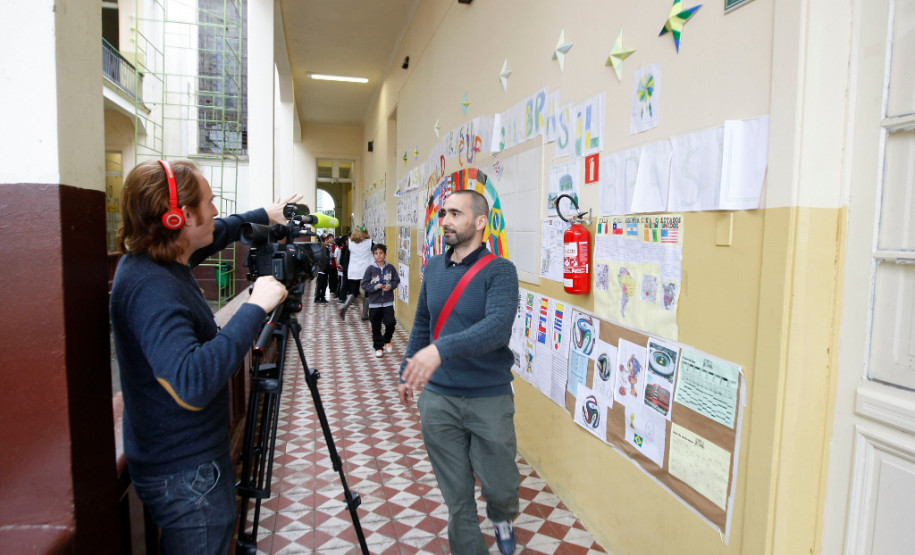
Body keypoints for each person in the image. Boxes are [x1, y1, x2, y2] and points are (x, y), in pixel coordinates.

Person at [110, 159, 299, 554]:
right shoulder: (152, 287)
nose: (215, 210)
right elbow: (191, 381)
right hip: (186, 477)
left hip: (182, 464)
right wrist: (255, 308)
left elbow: (219, 230)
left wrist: (265, 214)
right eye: (209, 202)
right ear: (178, 217)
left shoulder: (159, 261)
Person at [398, 190, 520, 555]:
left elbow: (497, 328)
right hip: (439, 398)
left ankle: (502, 516)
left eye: (455, 213)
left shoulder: (500, 271)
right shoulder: (434, 268)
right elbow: (423, 322)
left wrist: (440, 350)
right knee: (457, 496)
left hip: (488, 396)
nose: (445, 221)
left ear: (480, 222)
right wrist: (407, 367)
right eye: (443, 214)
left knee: (501, 485)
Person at [361, 243, 400, 358]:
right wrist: (375, 287)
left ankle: (387, 339)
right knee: (376, 326)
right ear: (373, 256)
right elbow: (364, 284)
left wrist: (390, 286)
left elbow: (396, 280)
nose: (378, 255)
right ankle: (378, 347)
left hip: (387, 302)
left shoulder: (390, 268)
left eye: (381, 253)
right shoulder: (370, 269)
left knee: (391, 322)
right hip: (374, 303)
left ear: (385, 254)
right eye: (376, 253)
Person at [339, 226, 372, 320]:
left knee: (354, 291)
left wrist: (345, 270)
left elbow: (345, 259)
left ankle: (345, 306)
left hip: (354, 270)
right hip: (366, 269)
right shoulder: (369, 243)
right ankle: (364, 314)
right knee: (367, 292)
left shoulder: (350, 244)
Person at [313, 233, 333, 304]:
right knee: (319, 285)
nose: (328, 241)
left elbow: (328, 258)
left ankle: (323, 297)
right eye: (326, 240)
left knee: (325, 284)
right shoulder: (319, 249)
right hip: (320, 270)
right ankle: (317, 297)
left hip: (326, 269)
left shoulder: (327, 249)